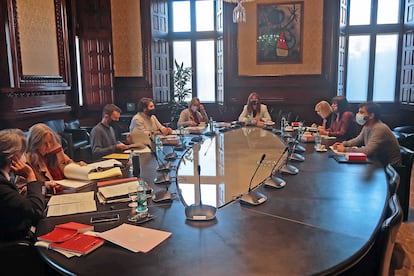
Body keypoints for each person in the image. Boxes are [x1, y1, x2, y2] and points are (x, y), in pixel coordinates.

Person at [0, 129, 46, 241]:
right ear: (13, 158)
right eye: (22, 153)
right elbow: (36, 211)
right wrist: (30, 175)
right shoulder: (2, 185)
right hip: (17, 246)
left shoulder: (4, 178)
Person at [333, 102, 401, 167]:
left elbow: (367, 151)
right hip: (377, 163)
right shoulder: (367, 126)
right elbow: (358, 140)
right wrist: (343, 144)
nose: (358, 114)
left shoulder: (380, 128)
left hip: (390, 169)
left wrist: (345, 149)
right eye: (358, 112)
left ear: (371, 115)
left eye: (361, 112)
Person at [26, 123, 87, 189]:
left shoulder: (56, 150)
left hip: (66, 190)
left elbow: (68, 165)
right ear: (35, 144)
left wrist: (78, 166)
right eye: (44, 144)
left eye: (50, 142)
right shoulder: (29, 160)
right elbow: (23, 189)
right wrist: (44, 185)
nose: (49, 146)